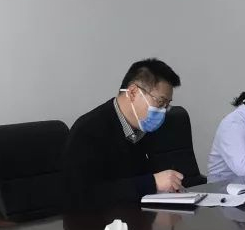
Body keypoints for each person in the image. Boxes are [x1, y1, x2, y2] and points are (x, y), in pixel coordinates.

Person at [62, 57, 200, 212]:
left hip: (142, 218)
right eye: (160, 103)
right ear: (133, 92)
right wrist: (152, 183)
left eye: (167, 105)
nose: (163, 112)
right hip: (97, 223)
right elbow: (84, 195)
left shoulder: (147, 128)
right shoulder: (88, 131)